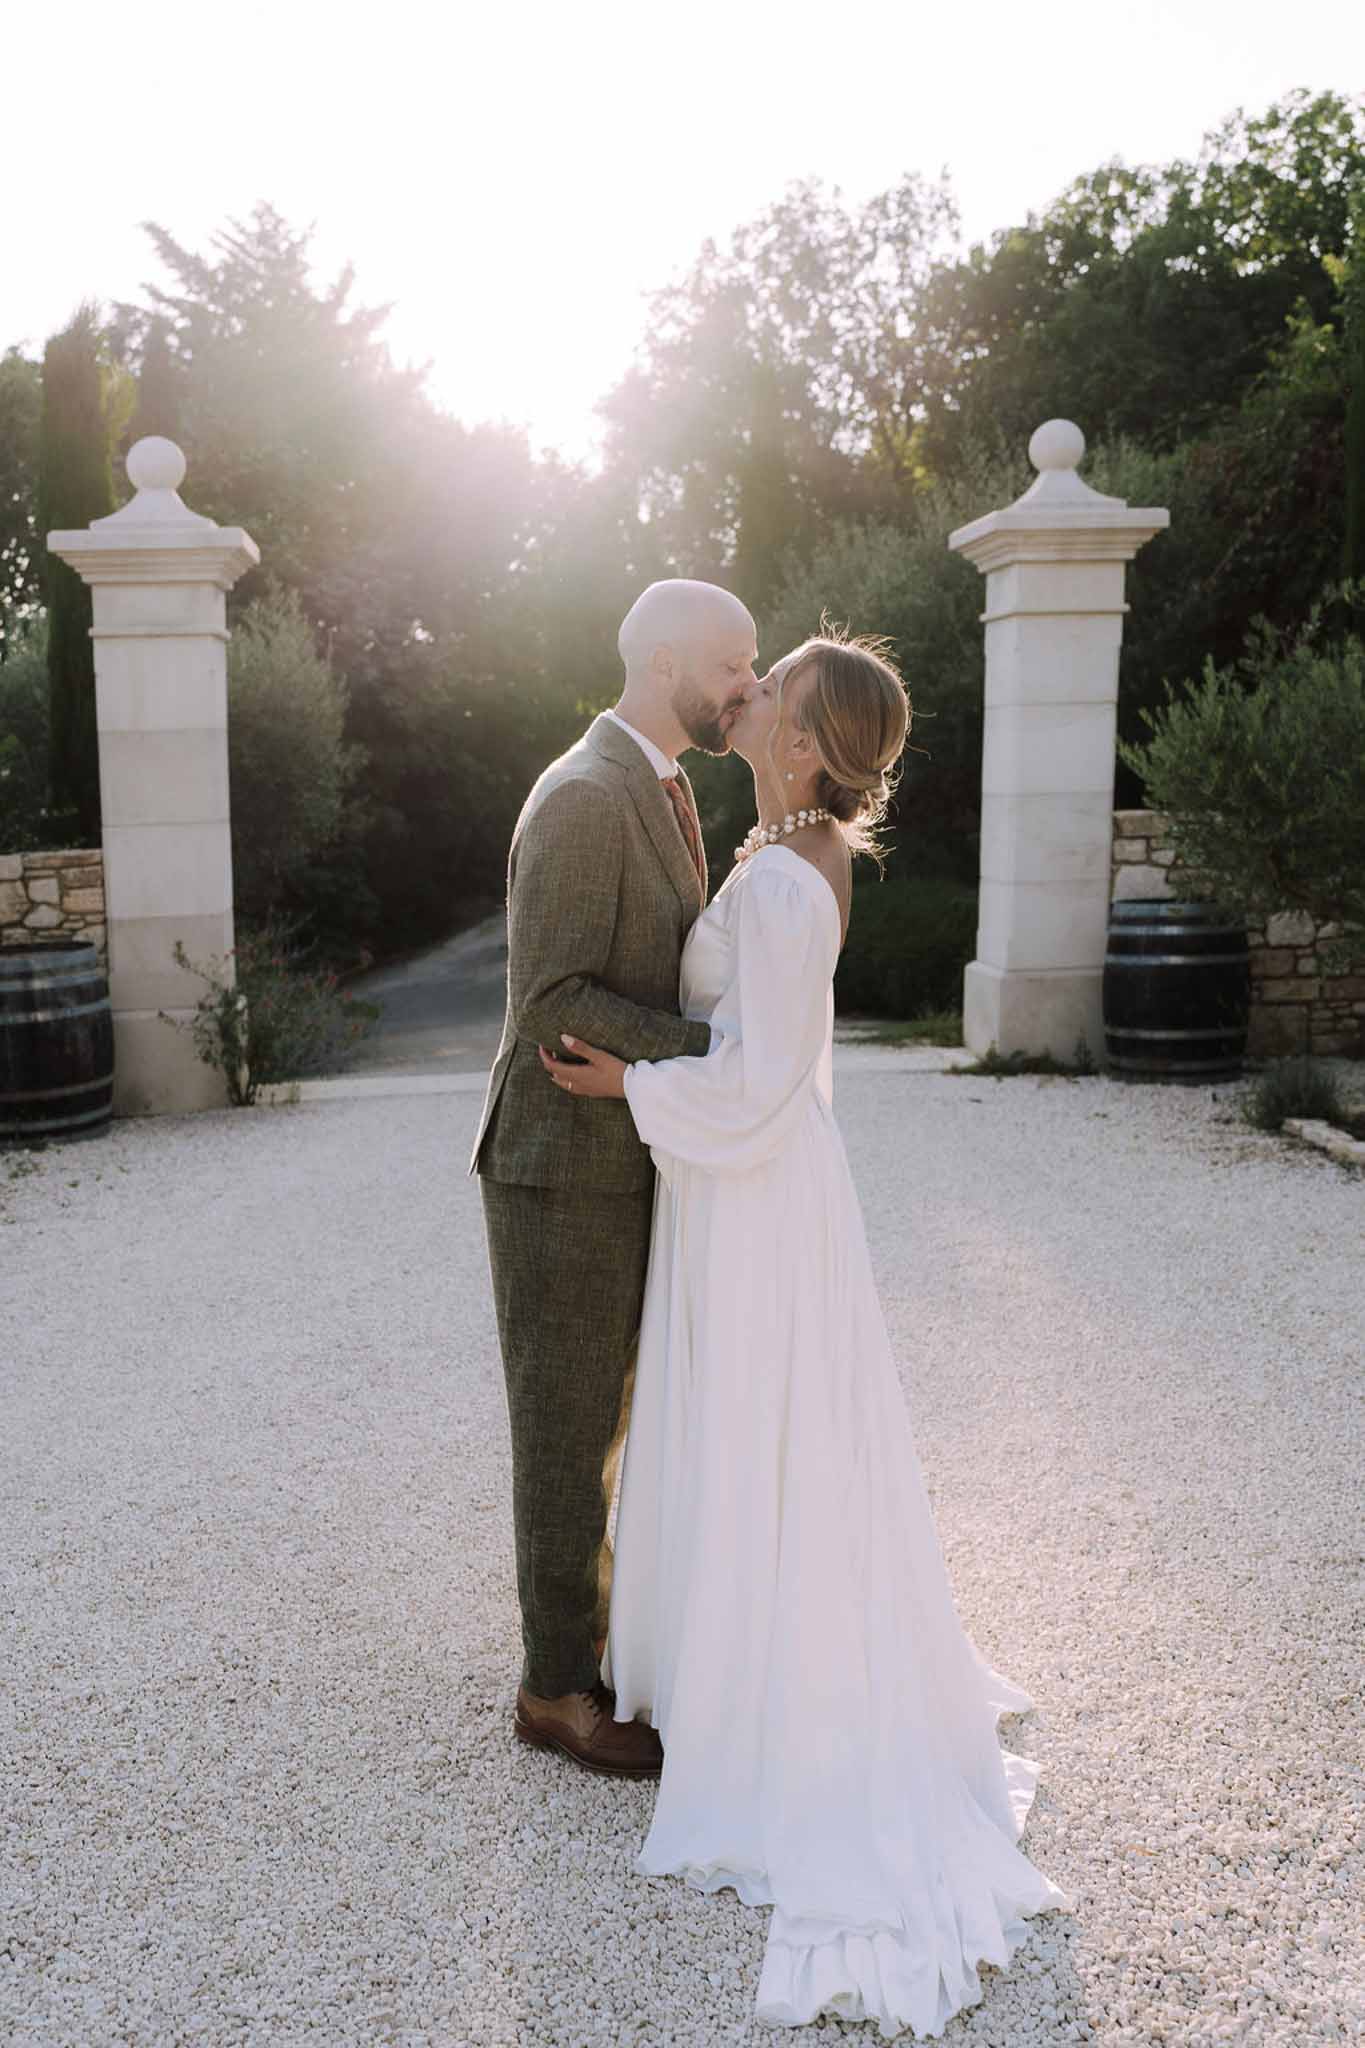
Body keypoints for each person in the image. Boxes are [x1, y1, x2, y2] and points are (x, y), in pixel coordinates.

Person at [539, 629, 1075, 2038]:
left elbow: (763, 1080)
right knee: (762, 1431)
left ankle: (769, 1693)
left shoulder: (783, 881)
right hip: (764, 1196)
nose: (747, 688)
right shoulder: (784, 857)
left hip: (761, 1197)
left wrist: (626, 1091)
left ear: (800, 740)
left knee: (760, 1426)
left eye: (768, 684)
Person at [470, 577, 757, 1776]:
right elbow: (552, 996)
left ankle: (594, 1644)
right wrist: (720, 1050)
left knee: (617, 1416)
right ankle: (553, 1690)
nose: (749, 682)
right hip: (560, 1168)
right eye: (734, 661)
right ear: (665, 661)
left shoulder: (664, 783)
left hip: (621, 1149)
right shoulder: (590, 795)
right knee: (566, 1427)